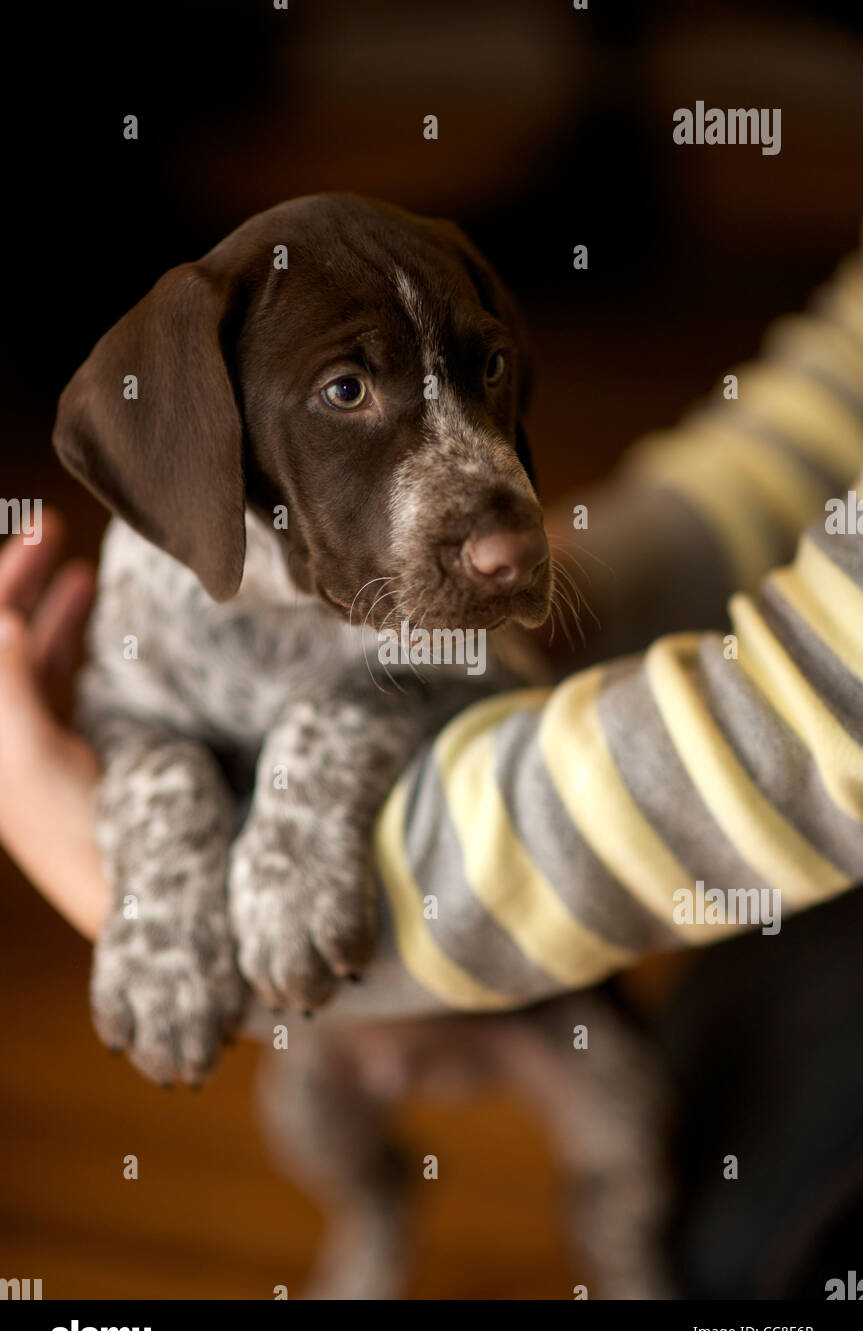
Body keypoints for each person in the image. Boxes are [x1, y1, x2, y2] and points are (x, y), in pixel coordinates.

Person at [2, 238, 863, 1026]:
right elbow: (839, 392)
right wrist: (165, 851)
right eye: (346, 388)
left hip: (554, 963)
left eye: (486, 369)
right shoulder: (153, 589)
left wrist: (111, 882)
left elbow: (817, 726)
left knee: (691, 1105)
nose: (504, 535)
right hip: (362, 1030)